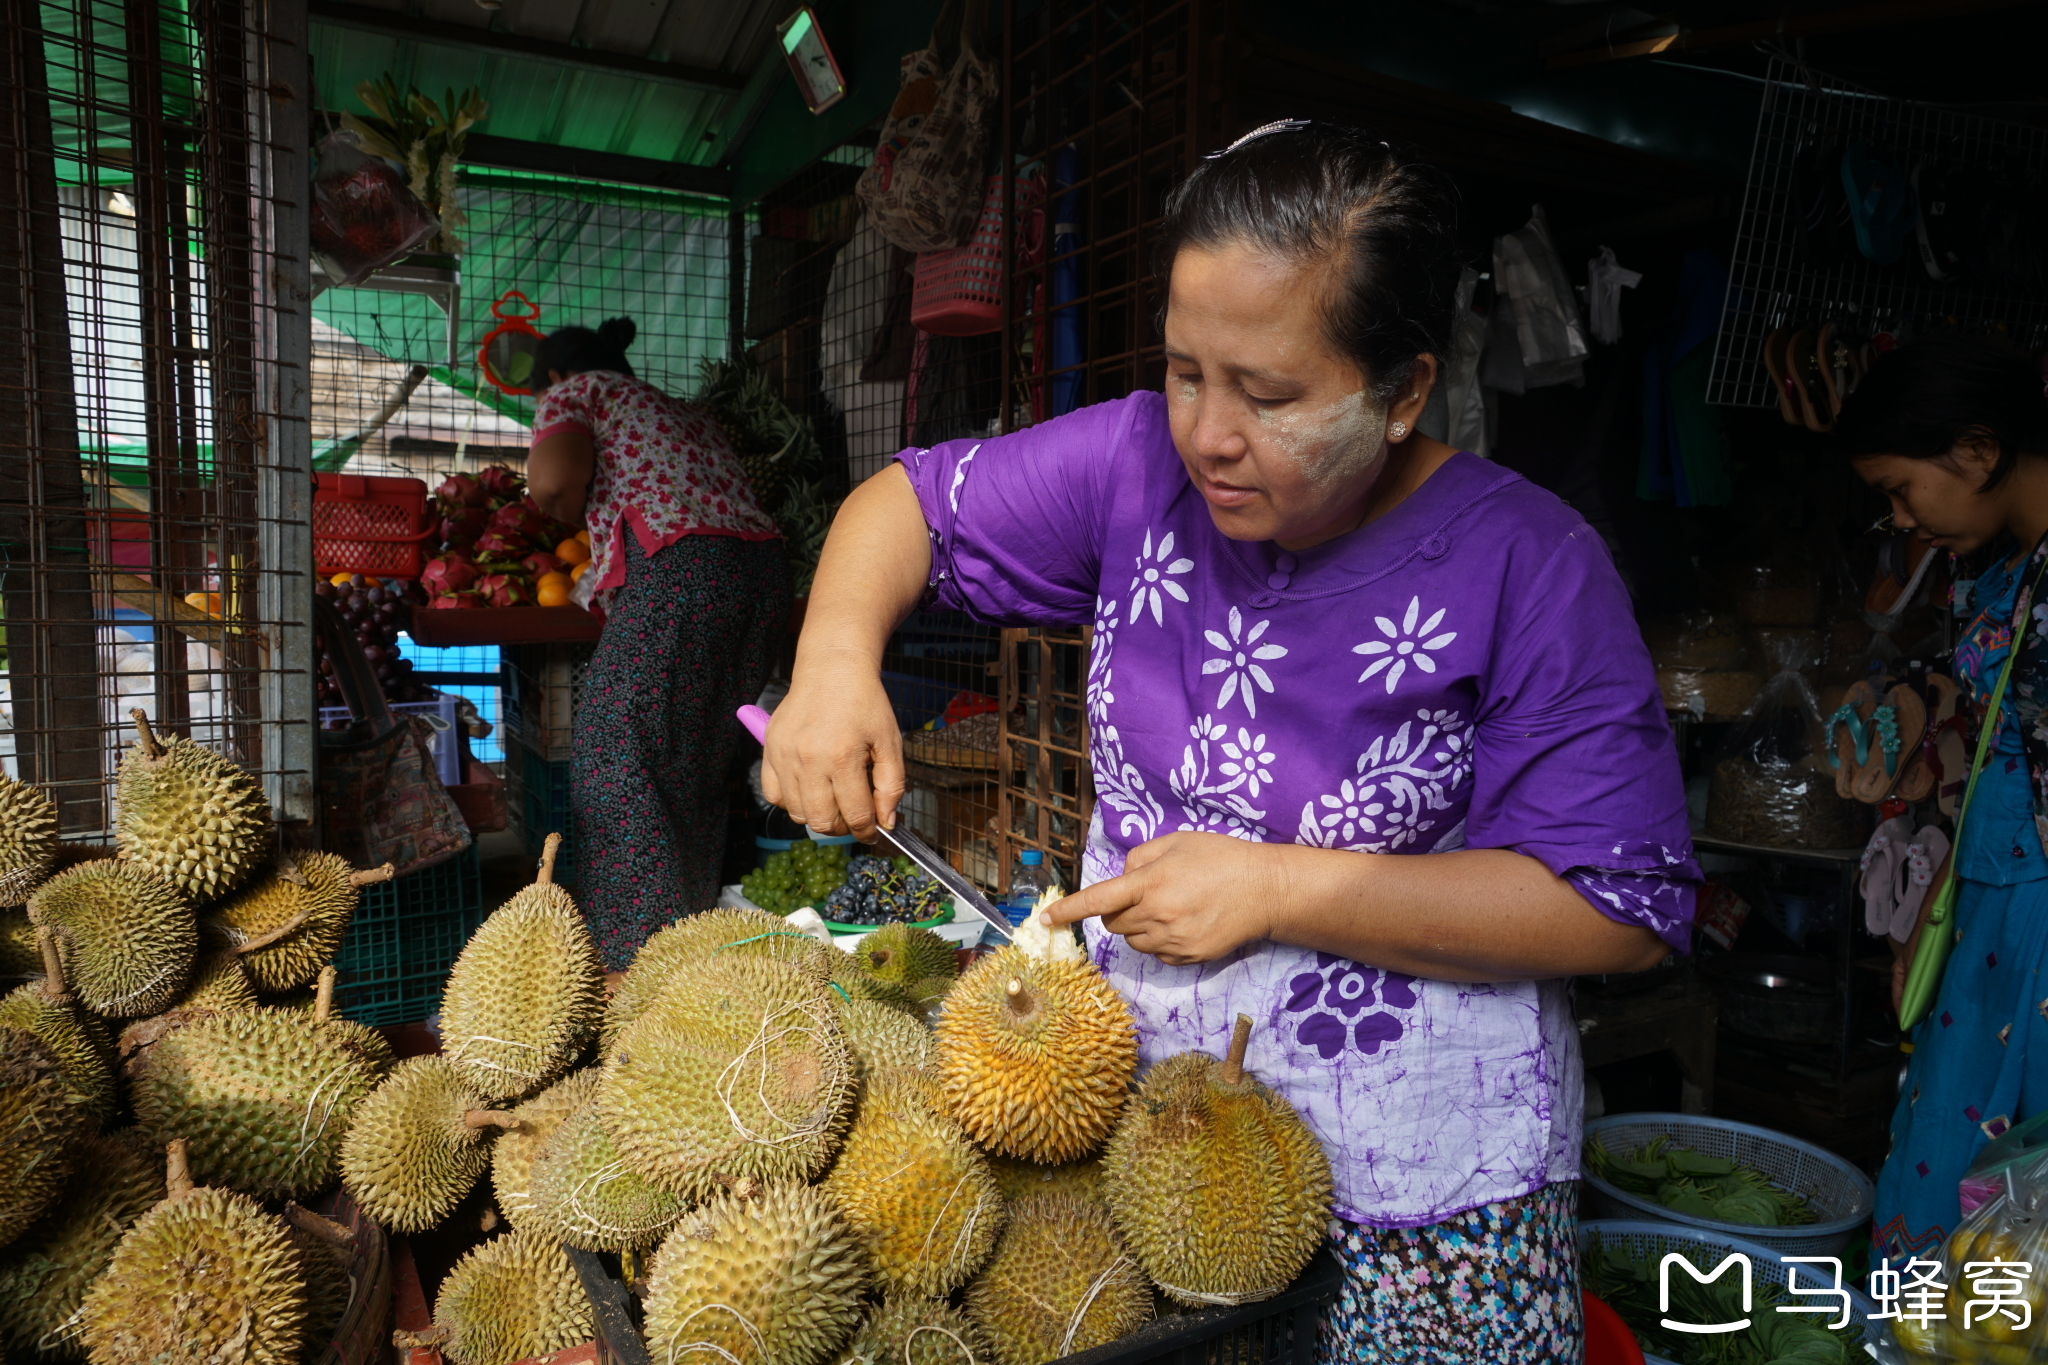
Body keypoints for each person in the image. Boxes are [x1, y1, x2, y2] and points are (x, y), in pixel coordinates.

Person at [760, 123, 1696, 1362]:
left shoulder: (1529, 563)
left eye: (1267, 393)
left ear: (1404, 390)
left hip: (1419, 1181)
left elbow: (1614, 908)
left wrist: (1272, 889)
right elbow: (909, 505)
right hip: (1146, 1138)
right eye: (1186, 370)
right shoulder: (1132, 464)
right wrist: (831, 665)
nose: (1208, 430)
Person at [1844, 334, 2048, 1267]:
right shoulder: (2002, 571)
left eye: (1901, 487)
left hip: (2037, 932)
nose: (1904, 518)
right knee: (1956, 1173)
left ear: (1975, 451)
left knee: (2014, 1196)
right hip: (1988, 912)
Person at [525, 317, 789, 970]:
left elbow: (552, 482)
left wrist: (563, 513)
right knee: (691, 761)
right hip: (762, 576)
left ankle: (633, 968)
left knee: (615, 748)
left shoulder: (578, 392)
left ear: (556, 377)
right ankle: (690, 946)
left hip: (685, 567)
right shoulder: (680, 412)